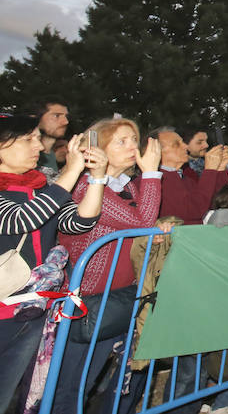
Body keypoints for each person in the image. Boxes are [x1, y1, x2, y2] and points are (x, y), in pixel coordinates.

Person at [52, 118, 162, 414]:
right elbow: (143, 223)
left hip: (113, 298)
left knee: (87, 380)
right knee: (68, 384)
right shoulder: (87, 188)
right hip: (82, 300)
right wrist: (152, 173)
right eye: (121, 141)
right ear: (97, 149)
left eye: (133, 140)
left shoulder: (130, 188)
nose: (132, 147)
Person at [0, 115, 107, 412]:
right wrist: (70, 172)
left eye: (37, 137)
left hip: (30, 308)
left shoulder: (39, 187)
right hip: (2, 308)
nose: (38, 145)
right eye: (27, 139)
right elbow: (21, 219)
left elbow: (78, 222)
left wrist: (97, 177)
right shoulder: (37, 191)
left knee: (6, 391)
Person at [155, 127, 228, 224]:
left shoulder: (186, 179)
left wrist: (220, 170)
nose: (185, 146)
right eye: (177, 144)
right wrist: (209, 171)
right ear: (157, 152)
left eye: (183, 142)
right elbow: (193, 212)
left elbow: (218, 203)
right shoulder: (158, 181)